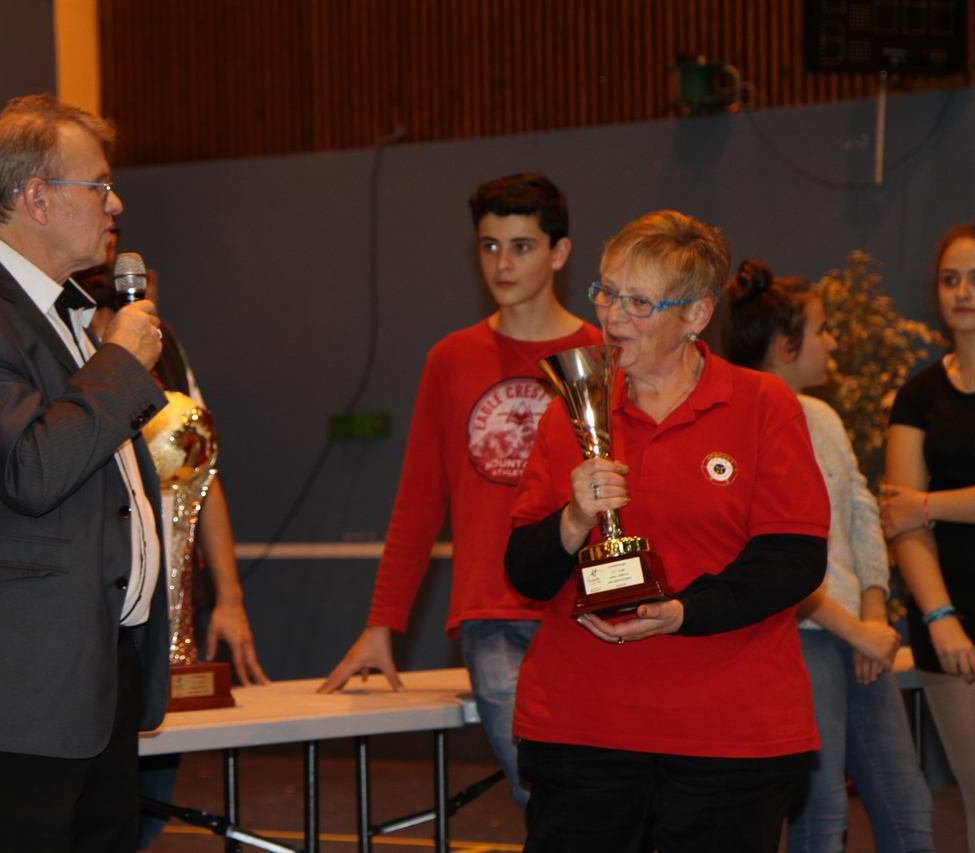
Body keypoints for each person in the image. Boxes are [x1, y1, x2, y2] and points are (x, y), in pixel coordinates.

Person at [0, 94, 170, 853]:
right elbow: (31, 467)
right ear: (35, 197)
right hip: (5, 699)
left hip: (88, 681)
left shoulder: (63, 312)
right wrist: (117, 365)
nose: (116, 203)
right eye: (98, 185)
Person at [505, 211, 830, 853]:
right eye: (605, 291)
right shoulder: (568, 412)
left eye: (639, 301)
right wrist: (573, 520)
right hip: (581, 730)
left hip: (729, 734)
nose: (612, 314)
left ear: (697, 315)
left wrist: (681, 613)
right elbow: (524, 571)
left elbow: (793, 559)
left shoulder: (762, 405)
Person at [318, 172, 602, 809]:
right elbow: (420, 499)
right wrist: (383, 622)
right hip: (492, 613)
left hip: (588, 606)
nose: (503, 263)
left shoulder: (600, 354)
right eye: (489, 245)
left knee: (602, 803)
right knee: (546, 801)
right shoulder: (451, 359)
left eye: (522, 246)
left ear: (559, 252)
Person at [725, 259, 934, 853]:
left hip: (856, 636)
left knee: (908, 808)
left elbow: (863, 514)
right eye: (821, 330)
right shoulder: (742, 426)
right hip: (799, 637)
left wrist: (873, 613)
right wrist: (851, 630)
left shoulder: (823, 416)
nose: (833, 341)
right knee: (822, 815)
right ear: (786, 346)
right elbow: (769, 556)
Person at [73, 238, 269, 851]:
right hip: (95, 597)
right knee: (95, 793)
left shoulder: (170, 350)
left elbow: (204, 475)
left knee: (149, 794)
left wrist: (230, 600)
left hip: (173, 595)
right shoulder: (71, 347)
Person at [881, 223, 975, 853]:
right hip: (951, 613)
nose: (962, 292)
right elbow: (899, 521)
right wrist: (939, 614)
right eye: (950, 280)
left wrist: (930, 503)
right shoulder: (917, 394)